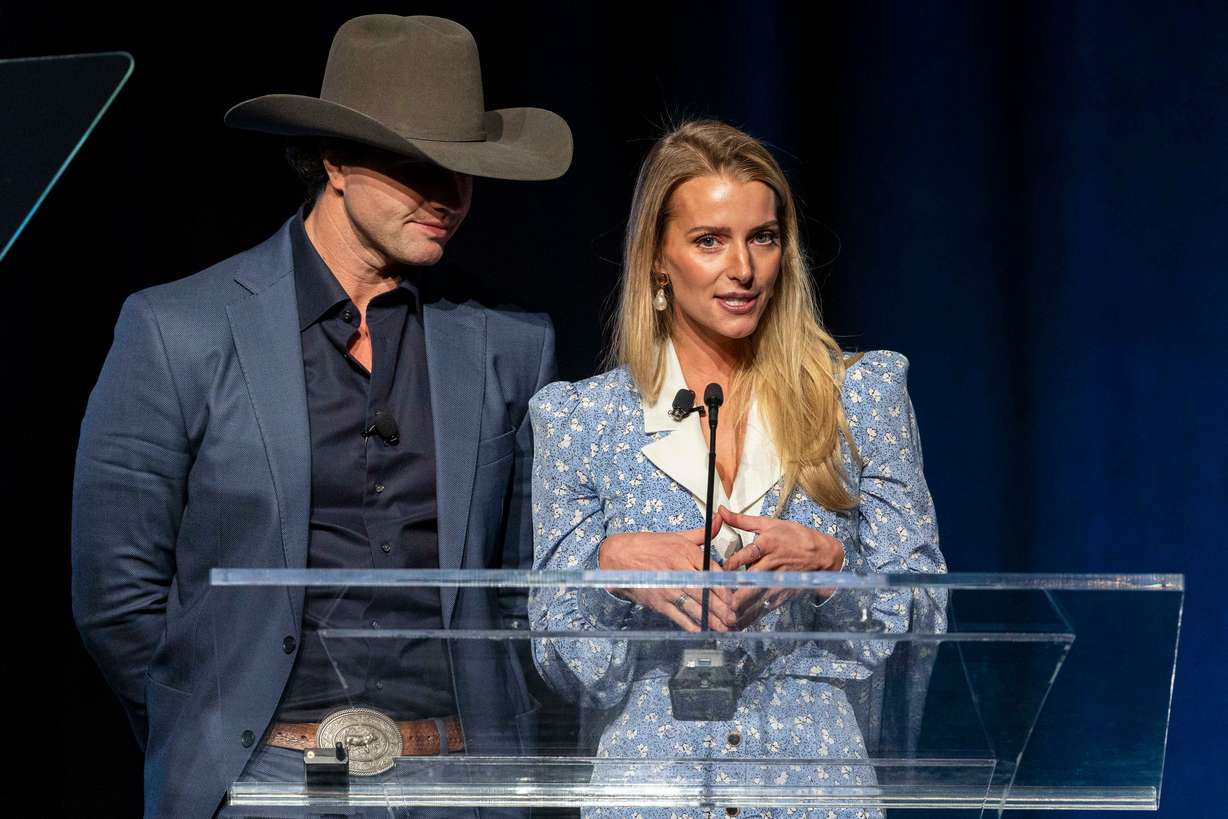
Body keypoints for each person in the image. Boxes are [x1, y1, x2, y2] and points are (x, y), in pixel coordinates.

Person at [71, 15, 569, 819]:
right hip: (265, 780)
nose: (447, 196)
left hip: (457, 776)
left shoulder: (509, 344)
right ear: (335, 159)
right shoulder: (180, 330)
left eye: (464, 170)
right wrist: (211, 725)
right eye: (418, 168)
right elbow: (116, 596)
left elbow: (522, 586)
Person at [528, 120, 946, 818]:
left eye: (763, 236)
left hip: (818, 793)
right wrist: (612, 567)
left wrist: (833, 568)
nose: (744, 268)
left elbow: (928, 616)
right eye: (709, 241)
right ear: (658, 258)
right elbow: (566, 663)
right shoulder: (579, 420)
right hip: (651, 795)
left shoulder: (861, 397)